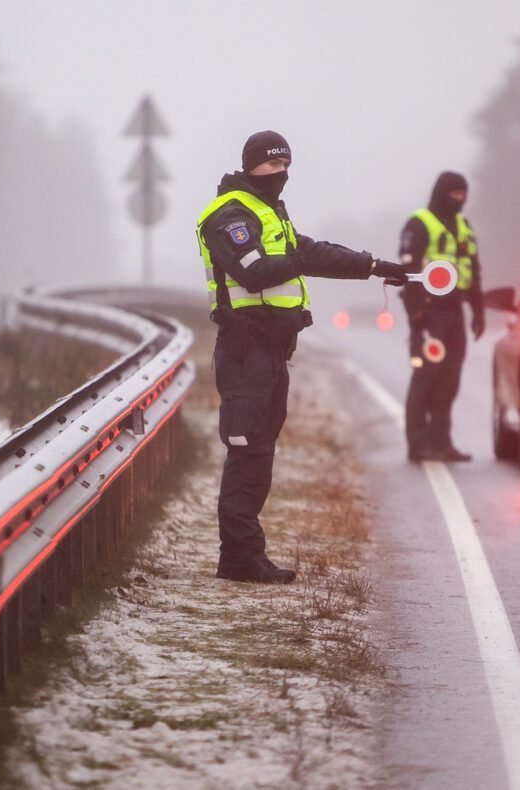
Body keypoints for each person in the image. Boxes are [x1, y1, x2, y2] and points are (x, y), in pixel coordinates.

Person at [196, 130, 407, 583]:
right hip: (243, 350)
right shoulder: (228, 215)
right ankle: (239, 559)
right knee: (247, 453)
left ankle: (244, 556)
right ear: (251, 165)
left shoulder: (269, 212)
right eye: (272, 165)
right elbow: (254, 272)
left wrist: (374, 267)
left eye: (286, 165)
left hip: (270, 351)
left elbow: (308, 253)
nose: (281, 174)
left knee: (261, 453)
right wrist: (300, 255)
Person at [399, 171, 485, 463]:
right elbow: (408, 270)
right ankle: (418, 444)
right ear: (441, 193)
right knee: (426, 376)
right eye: (455, 194)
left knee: (450, 380)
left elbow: (473, 269)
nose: (459, 200)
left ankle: (442, 442)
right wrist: (416, 312)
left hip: (454, 312)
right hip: (428, 312)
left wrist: (478, 310)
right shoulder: (419, 224)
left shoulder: (464, 226)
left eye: (463, 194)